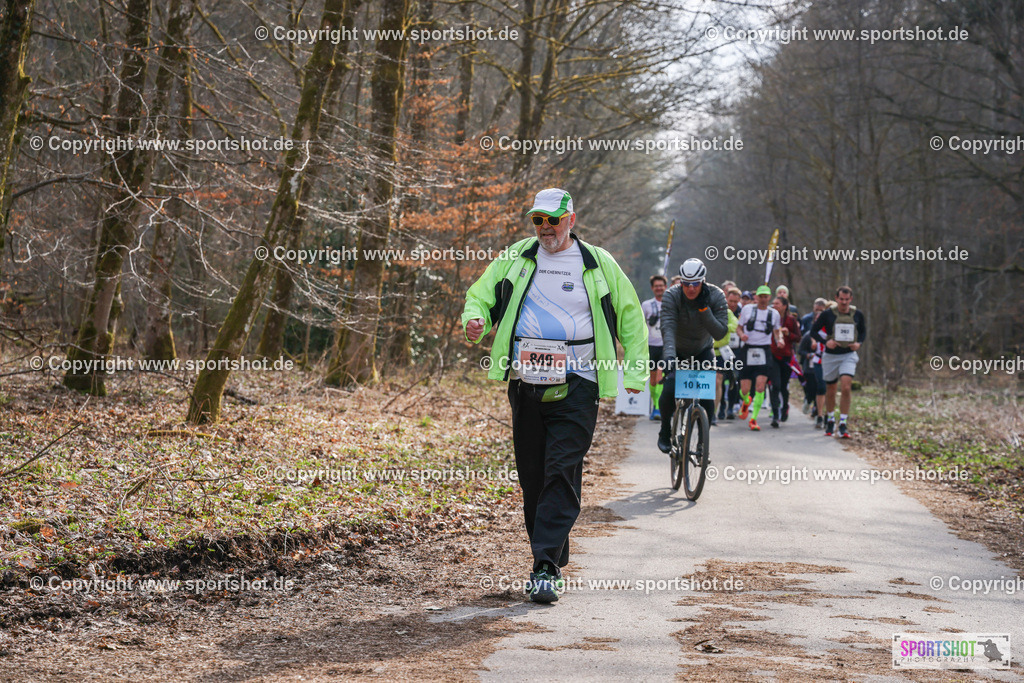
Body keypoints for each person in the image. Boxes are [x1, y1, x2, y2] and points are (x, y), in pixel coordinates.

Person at [462, 188, 648, 603]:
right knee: (533, 475)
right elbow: (481, 294)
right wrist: (475, 320)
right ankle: (552, 549)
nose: (546, 228)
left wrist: (635, 371)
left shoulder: (598, 262)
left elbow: (631, 316)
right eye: (538, 220)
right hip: (526, 381)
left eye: (554, 220)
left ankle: (544, 564)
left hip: (580, 379)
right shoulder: (517, 256)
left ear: (571, 219)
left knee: (562, 467)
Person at [656, 258, 729, 453]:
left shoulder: (716, 295)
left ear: (703, 281)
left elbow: (720, 332)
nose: (690, 289)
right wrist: (669, 357)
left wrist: (705, 310)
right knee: (669, 390)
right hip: (678, 351)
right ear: (680, 282)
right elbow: (668, 327)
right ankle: (665, 429)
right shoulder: (672, 295)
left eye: (695, 284)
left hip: (702, 351)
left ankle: (703, 440)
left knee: (706, 397)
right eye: (686, 284)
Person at [810, 286, 866, 438]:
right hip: (831, 356)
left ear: (851, 299)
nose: (844, 302)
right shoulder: (828, 314)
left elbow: (862, 331)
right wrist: (825, 341)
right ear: (836, 298)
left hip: (848, 354)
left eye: (847, 300)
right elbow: (813, 330)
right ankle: (830, 419)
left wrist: (859, 343)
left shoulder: (857, 314)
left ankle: (843, 422)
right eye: (841, 299)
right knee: (831, 389)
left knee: (846, 387)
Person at [736, 285, 781, 431]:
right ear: (756, 297)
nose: (763, 299)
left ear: (769, 297)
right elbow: (739, 327)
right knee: (744, 390)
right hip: (748, 349)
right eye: (760, 296)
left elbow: (776, 330)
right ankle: (745, 401)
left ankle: (753, 419)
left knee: (761, 387)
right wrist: (742, 335)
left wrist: (780, 340)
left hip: (764, 350)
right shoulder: (747, 310)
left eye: (765, 296)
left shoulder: (774, 314)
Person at [770, 295, 801, 423]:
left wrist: (789, 334)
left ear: (784, 306)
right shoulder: (769, 318)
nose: (774, 306)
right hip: (772, 355)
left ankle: (785, 407)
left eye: (777, 303)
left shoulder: (790, 320)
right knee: (775, 385)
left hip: (786, 357)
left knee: (783, 386)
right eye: (773, 303)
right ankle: (775, 414)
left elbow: (798, 337)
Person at [642, 276, 667, 420]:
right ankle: (654, 402)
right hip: (651, 346)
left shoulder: (670, 303)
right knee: (652, 379)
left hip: (665, 345)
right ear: (652, 288)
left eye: (661, 285)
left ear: (665, 286)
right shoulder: (646, 305)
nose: (659, 288)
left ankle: (658, 408)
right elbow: (640, 324)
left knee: (660, 376)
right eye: (656, 286)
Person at [714, 289, 739, 422]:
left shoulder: (727, 313)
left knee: (719, 381)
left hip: (721, 352)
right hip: (706, 351)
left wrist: (721, 326)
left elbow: (735, 326)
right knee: (708, 382)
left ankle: (714, 412)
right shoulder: (708, 310)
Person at [724, 286, 743, 418]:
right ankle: (721, 408)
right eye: (730, 301)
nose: (733, 304)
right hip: (722, 348)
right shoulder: (721, 310)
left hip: (737, 350)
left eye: (735, 302)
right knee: (721, 379)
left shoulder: (743, 312)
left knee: (734, 378)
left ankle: (731, 407)